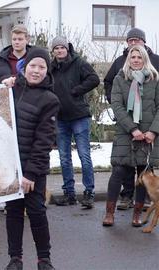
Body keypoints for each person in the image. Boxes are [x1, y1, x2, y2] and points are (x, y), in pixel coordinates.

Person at [2, 48, 59, 270]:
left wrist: (30, 174)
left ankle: (44, 259)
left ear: (47, 70)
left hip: (33, 169)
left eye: (42, 67)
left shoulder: (50, 99)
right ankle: (15, 258)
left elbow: (44, 140)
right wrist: (3, 85)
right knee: (14, 212)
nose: (36, 70)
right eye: (33, 65)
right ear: (24, 67)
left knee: (36, 213)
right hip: (10, 165)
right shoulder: (11, 89)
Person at [102, 45, 159, 227]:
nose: (135, 60)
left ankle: (137, 215)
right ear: (128, 59)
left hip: (148, 133)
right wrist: (133, 129)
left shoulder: (155, 79)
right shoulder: (120, 78)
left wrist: (152, 131)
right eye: (132, 57)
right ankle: (109, 213)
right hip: (126, 132)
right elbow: (117, 106)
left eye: (139, 57)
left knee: (143, 174)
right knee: (118, 170)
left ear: (145, 59)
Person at [49, 36, 100, 208]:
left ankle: (89, 192)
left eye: (62, 48)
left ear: (67, 48)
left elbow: (94, 79)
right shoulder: (51, 67)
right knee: (64, 158)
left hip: (79, 116)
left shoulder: (79, 63)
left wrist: (77, 90)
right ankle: (69, 193)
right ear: (53, 51)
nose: (59, 51)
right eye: (56, 48)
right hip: (61, 118)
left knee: (84, 155)